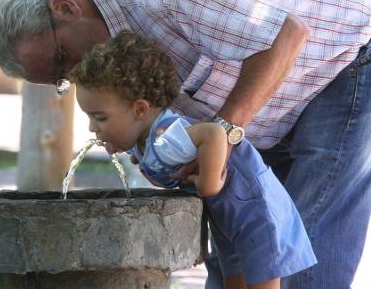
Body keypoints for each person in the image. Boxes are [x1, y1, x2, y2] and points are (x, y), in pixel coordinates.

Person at [0, 0, 371, 289]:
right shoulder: (113, 61)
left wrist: (226, 132)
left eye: (63, 57)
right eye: (61, 79)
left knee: (299, 250)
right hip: (279, 107)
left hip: (354, 60)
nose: (75, 73)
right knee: (241, 249)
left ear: (65, 8)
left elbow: (287, 36)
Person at [68, 30, 317, 289]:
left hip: (253, 207)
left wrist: (208, 183)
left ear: (140, 109)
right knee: (234, 278)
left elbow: (214, 132)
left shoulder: (166, 135)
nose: (91, 127)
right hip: (228, 213)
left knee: (260, 280)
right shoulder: (144, 140)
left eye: (100, 117)